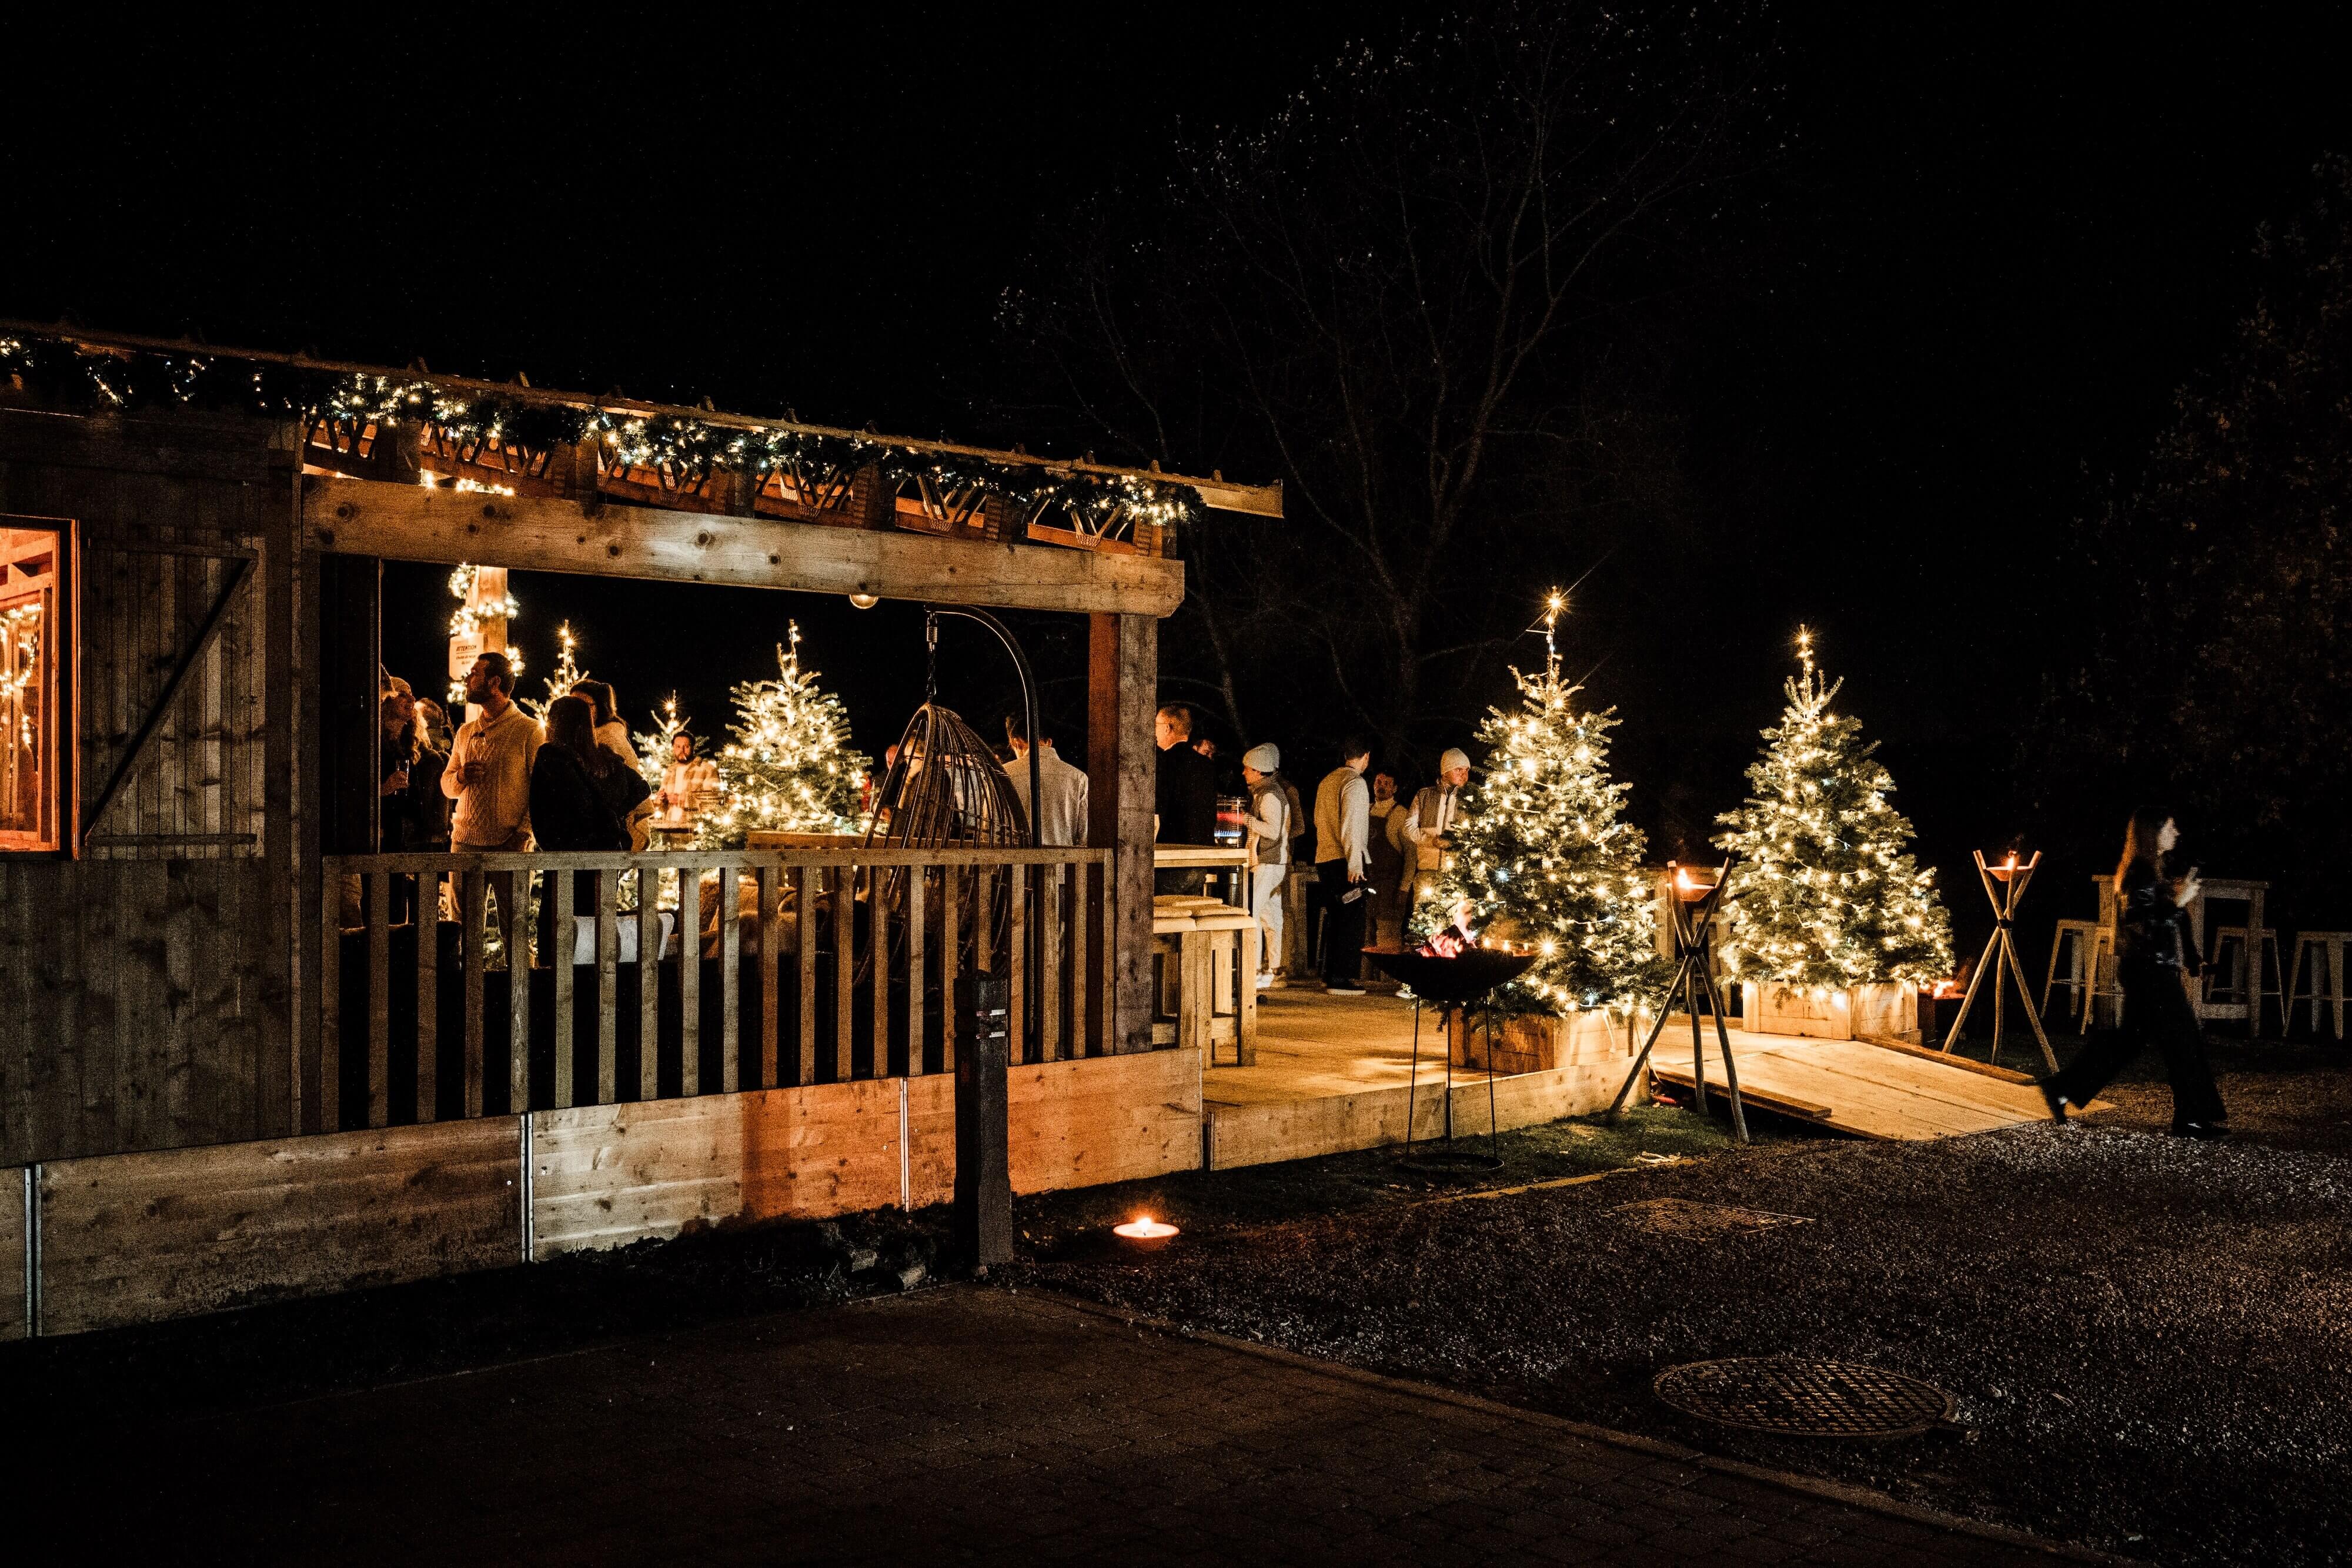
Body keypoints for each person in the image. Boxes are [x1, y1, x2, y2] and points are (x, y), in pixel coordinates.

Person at [2041, 810, 2227, 1136]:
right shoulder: (2139, 874)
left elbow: (2159, 920)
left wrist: (2190, 948)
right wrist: (2178, 903)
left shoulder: (2149, 871)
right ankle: (2191, 1117)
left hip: (2147, 969)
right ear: (2152, 833)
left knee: (2130, 1040)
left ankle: (2062, 1089)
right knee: (2182, 1039)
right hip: (2149, 971)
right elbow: (2142, 925)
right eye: (2170, 826)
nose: (2177, 832)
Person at [442, 651, 542, 852]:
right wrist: (461, 776)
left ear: (494, 682)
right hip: (464, 843)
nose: (468, 680)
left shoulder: (530, 730)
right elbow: (447, 787)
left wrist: (524, 833)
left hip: (510, 844)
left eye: (474, 674)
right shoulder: (466, 732)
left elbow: (541, 790)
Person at [1312, 735, 1375, 994]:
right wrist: (1355, 864)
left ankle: (1330, 973)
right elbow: (1352, 825)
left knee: (1336, 917)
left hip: (1325, 857)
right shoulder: (1355, 783)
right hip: (1346, 861)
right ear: (1366, 757)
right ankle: (1343, 976)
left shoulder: (1327, 781)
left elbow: (1319, 819)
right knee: (1351, 920)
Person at [1154, 703, 1218, 893]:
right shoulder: (1206, 766)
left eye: (1156, 725)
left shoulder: (1164, 762)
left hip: (1171, 860)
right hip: (1200, 858)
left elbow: (1156, 814)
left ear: (1168, 728)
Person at [1405, 748, 1472, 927]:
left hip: (1455, 877)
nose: (1464, 775)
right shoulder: (1424, 796)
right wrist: (1431, 841)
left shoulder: (1470, 801)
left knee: (1454, 930)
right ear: (1445, 771)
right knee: (1423, 926)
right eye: (1459, 769)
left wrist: (1456, 844)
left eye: (1467, 771)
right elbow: (1409, 828)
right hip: (1426, 874)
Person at [1241, 744, 1289, 989]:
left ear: (1259, 771)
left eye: (1247, 769)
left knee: (1252, 913)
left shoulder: (1270, 795)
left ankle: (1254, 969)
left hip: (1269, 862)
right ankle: (1274, 967)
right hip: (1272, 862)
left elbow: (1272, 831)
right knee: (1270, 916)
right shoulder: (1265, 793)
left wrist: (1246, 820)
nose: (1244, 773)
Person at [1004, 714, 1090, 847]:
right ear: (1049, 742)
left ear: (1016, 743)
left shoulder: (1003, 775)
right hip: (1061, 865)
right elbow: (1085, 836)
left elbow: (988, 834)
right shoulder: (1079, 778)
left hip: (1014, 864)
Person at [1364, 769, 1410, 955]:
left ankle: (1388, 983)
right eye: (1378, 782)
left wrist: (1404, 888)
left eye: (1386, 783)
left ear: (1395, 788)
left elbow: (1411, 856)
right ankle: (1364, 980)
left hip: (1390, 886)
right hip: (1366, 883)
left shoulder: (1401, 815)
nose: (1381, 787)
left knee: (1388, 940)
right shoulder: (1365, 810)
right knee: (1366, 938)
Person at [659, 730, 719, 825]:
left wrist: (682, 799)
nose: (682, 750)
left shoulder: (708, 770)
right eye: (678, 747)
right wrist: (662, 799)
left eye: (686, 747)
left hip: (694, 829)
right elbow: (661, 804)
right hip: (669, 826)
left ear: (693, 748)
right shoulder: (670, 771)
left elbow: (712, 801)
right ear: (673, 748)